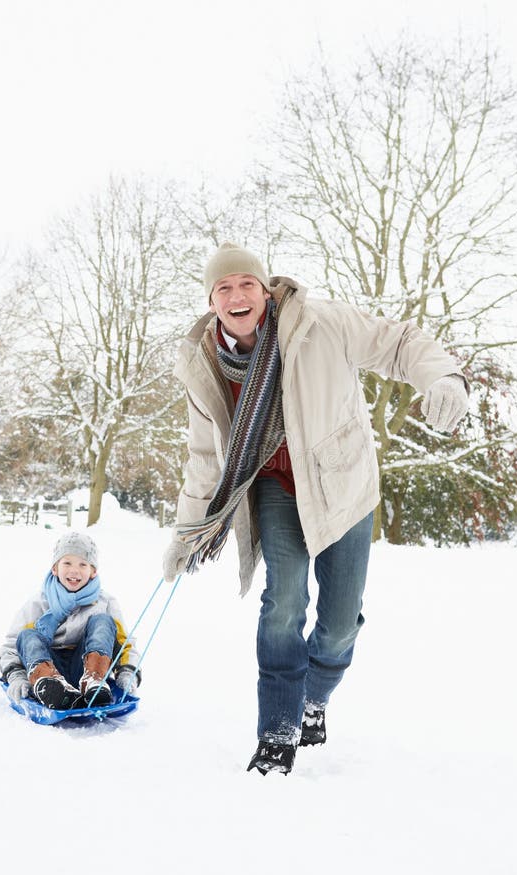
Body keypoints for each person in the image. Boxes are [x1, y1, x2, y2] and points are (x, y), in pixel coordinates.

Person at [163, 241, 469, 776]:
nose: (237, 296)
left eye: (247, 285)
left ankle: (315, 697)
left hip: (341, 484)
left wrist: (442, 377)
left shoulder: (320, 322)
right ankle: (278, 730)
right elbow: (205, 456)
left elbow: (397, 342)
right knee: (283, 600)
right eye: (224, 288)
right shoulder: (204, 361)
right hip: (276, 488)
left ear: (265, 288)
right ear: (211, 300)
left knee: (338, 625)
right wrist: (187, 533)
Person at [0, 532, 141, 710]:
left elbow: (125, 643)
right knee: (28, 635)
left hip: (86, 667)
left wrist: (128, 671)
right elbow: (13, 645)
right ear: (55, 568)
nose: (74, 570)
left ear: (93, 571)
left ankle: (94, 681)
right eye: (67, 563)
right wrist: (17, 676)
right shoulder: (38, 603)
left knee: (103, 622)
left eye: (83, 564)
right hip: (48, 665)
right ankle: (49, 685)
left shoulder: (105, 602)